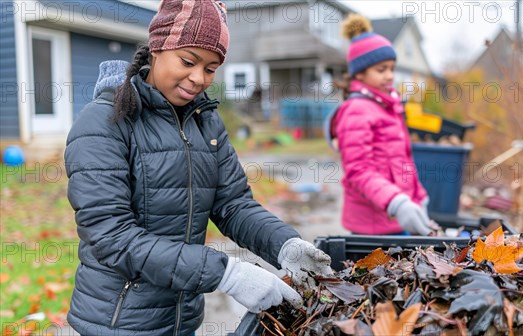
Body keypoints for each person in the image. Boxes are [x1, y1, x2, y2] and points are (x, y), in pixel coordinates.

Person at [64, 1, 333, 335]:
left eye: (211, 68)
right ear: (157, 49)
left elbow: (232, 203)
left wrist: (284, 244)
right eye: (188, 61)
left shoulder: (205, 121)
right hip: (117, 322)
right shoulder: (104, 122)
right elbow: (111, 236)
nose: (198, 78)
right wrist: (226, 273)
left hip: (182, 318)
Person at [326, 14, 437, 236]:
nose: (389, 76)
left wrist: (419, 197)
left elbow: (403, 160)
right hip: (373, 225)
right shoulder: (356, 110)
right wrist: (396, 202)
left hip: (398, 218)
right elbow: (358, 170)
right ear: (360, 72)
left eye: (392, 68)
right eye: (381, 69)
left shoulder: (388, 107)